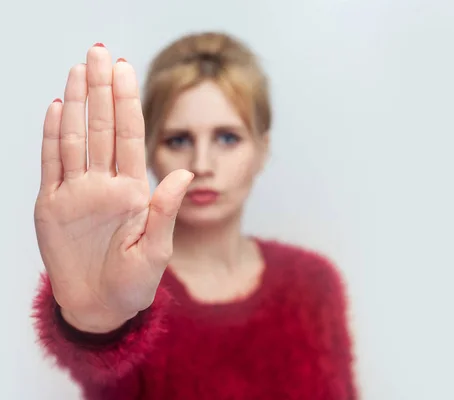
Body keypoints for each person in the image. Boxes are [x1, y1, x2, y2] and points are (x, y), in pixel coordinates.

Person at [32, 31, 358, 399]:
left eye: (227, 138)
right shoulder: (126, 286)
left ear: (262, 149)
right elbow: (97, 370)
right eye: (179, 140)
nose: (202, 164)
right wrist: (98, 322)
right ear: (151, 150)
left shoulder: (314, 285)